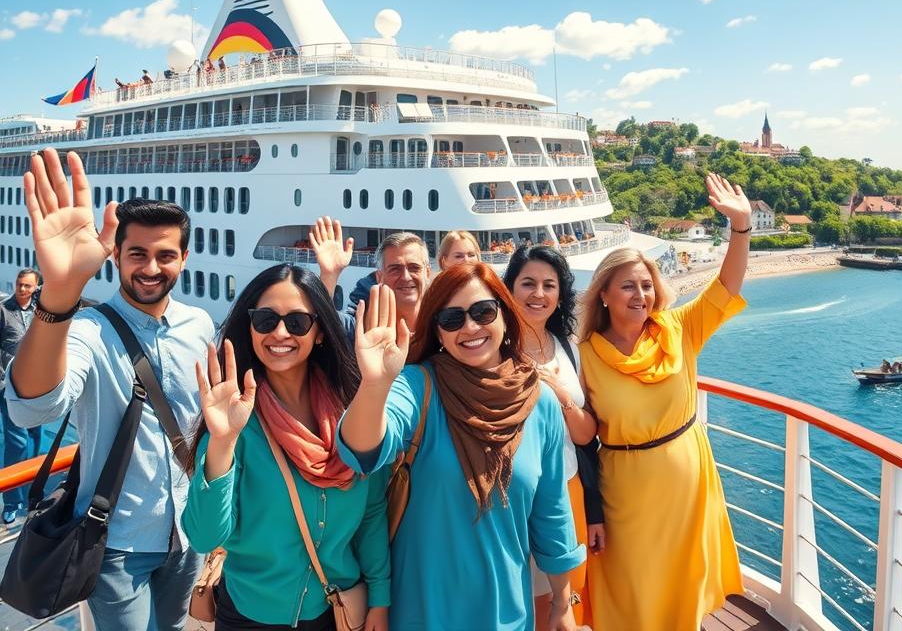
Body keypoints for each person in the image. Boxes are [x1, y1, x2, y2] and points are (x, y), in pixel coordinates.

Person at [4, 148, 213, 631]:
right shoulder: (87, 329)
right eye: (137, 253)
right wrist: (60, 292)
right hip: (115, 540)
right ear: (115, 254)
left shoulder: (200, 325)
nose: (150, 268)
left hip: (187, 530)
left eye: (165, 256)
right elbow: (32, 408)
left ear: (184, 259)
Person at [339, 266, 585, 630]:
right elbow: (362, 451)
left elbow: (552, 512)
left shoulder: (540, 402)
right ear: (438, 330)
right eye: (452, 318)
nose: (469, 327)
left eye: (483, 312)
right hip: (424, 612)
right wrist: (375, 384)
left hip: (507, 612)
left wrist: (562, 604)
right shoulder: (417, 385)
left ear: (504, 313)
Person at [578, 172, 751, 631]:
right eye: (629, 286)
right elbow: (581, 440)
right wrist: (591, 510)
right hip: (624, 490)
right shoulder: (585, 355)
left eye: (647, 285)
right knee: (631, 586)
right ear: (605, 295)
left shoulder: (679, 329)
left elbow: (727, 287)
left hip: (686, 484)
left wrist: (741, 227)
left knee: (681, 586)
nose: (641, 295)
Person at [182, 264, 389, 630]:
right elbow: (204, 536)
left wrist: (380, 600)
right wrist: (223, 441)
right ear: (250, 327)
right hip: (253, 615)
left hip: (337, 611)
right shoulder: (237, 417)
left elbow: (372, 513)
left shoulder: (352, 412)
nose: (280, 332)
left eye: (297, 322)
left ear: (320, 332)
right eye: (265, 320)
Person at [503, 247, 603, 629]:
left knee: (563, 600)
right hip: (517, 497)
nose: (538, 294)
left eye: (549, 285)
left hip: (568, 488)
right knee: (525, 601)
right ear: (509, 288)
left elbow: (585, 433)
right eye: (527, 283)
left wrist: (559, 396)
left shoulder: (568, 347)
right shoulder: (493, 348)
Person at [0, 268, 44, 525]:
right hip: (11, 386)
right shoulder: (4, 310)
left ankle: (30, 495)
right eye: (20, 284)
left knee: (34, 439)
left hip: (38, 385)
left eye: (28, 286)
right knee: (17, 443)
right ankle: (13, 502)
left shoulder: (41, 311)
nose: (22, 289)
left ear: (36, 287)